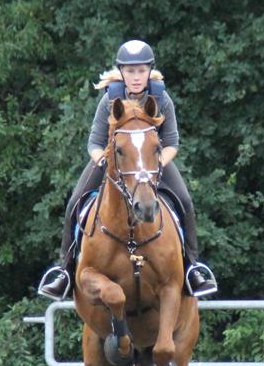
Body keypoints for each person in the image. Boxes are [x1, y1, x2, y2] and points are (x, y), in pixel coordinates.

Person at [38, 40, 217, 300]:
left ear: (149, 71)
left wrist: (153, 166)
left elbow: (172, 143)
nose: (136, 77)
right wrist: (104, 162)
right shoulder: (109, 100)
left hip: (152, 162)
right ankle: (64, 269)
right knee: (75, 201)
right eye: (130, 71)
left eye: (141, 70)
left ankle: (193, 267)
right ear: (121, 72)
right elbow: (94, 143)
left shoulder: (162, 99)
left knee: (185, 201)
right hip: (114, 161)